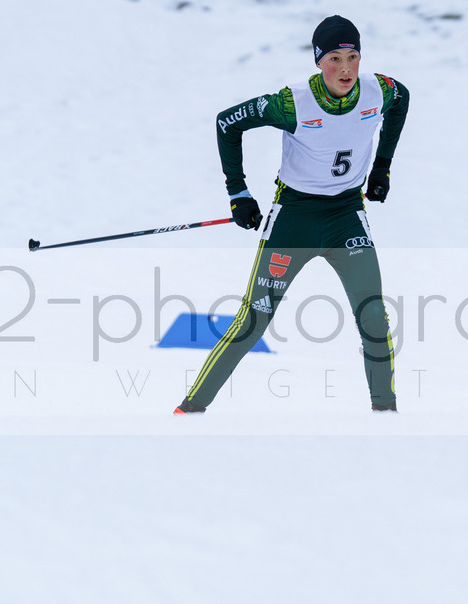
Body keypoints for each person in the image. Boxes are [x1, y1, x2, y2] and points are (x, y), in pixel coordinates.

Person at [175, 15, 409, 414]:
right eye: (334, 58)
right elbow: (227, 123)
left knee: (374, 317)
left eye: (352, 56)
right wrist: (239, 194)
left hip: (346, 215)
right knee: (253, 322)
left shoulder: (378, 90)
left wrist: (382, 166)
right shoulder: (292, 103)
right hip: (294, 218)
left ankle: (385, 416)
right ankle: (189, 410)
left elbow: (402, 99)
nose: (346, 68)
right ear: (318, 61)